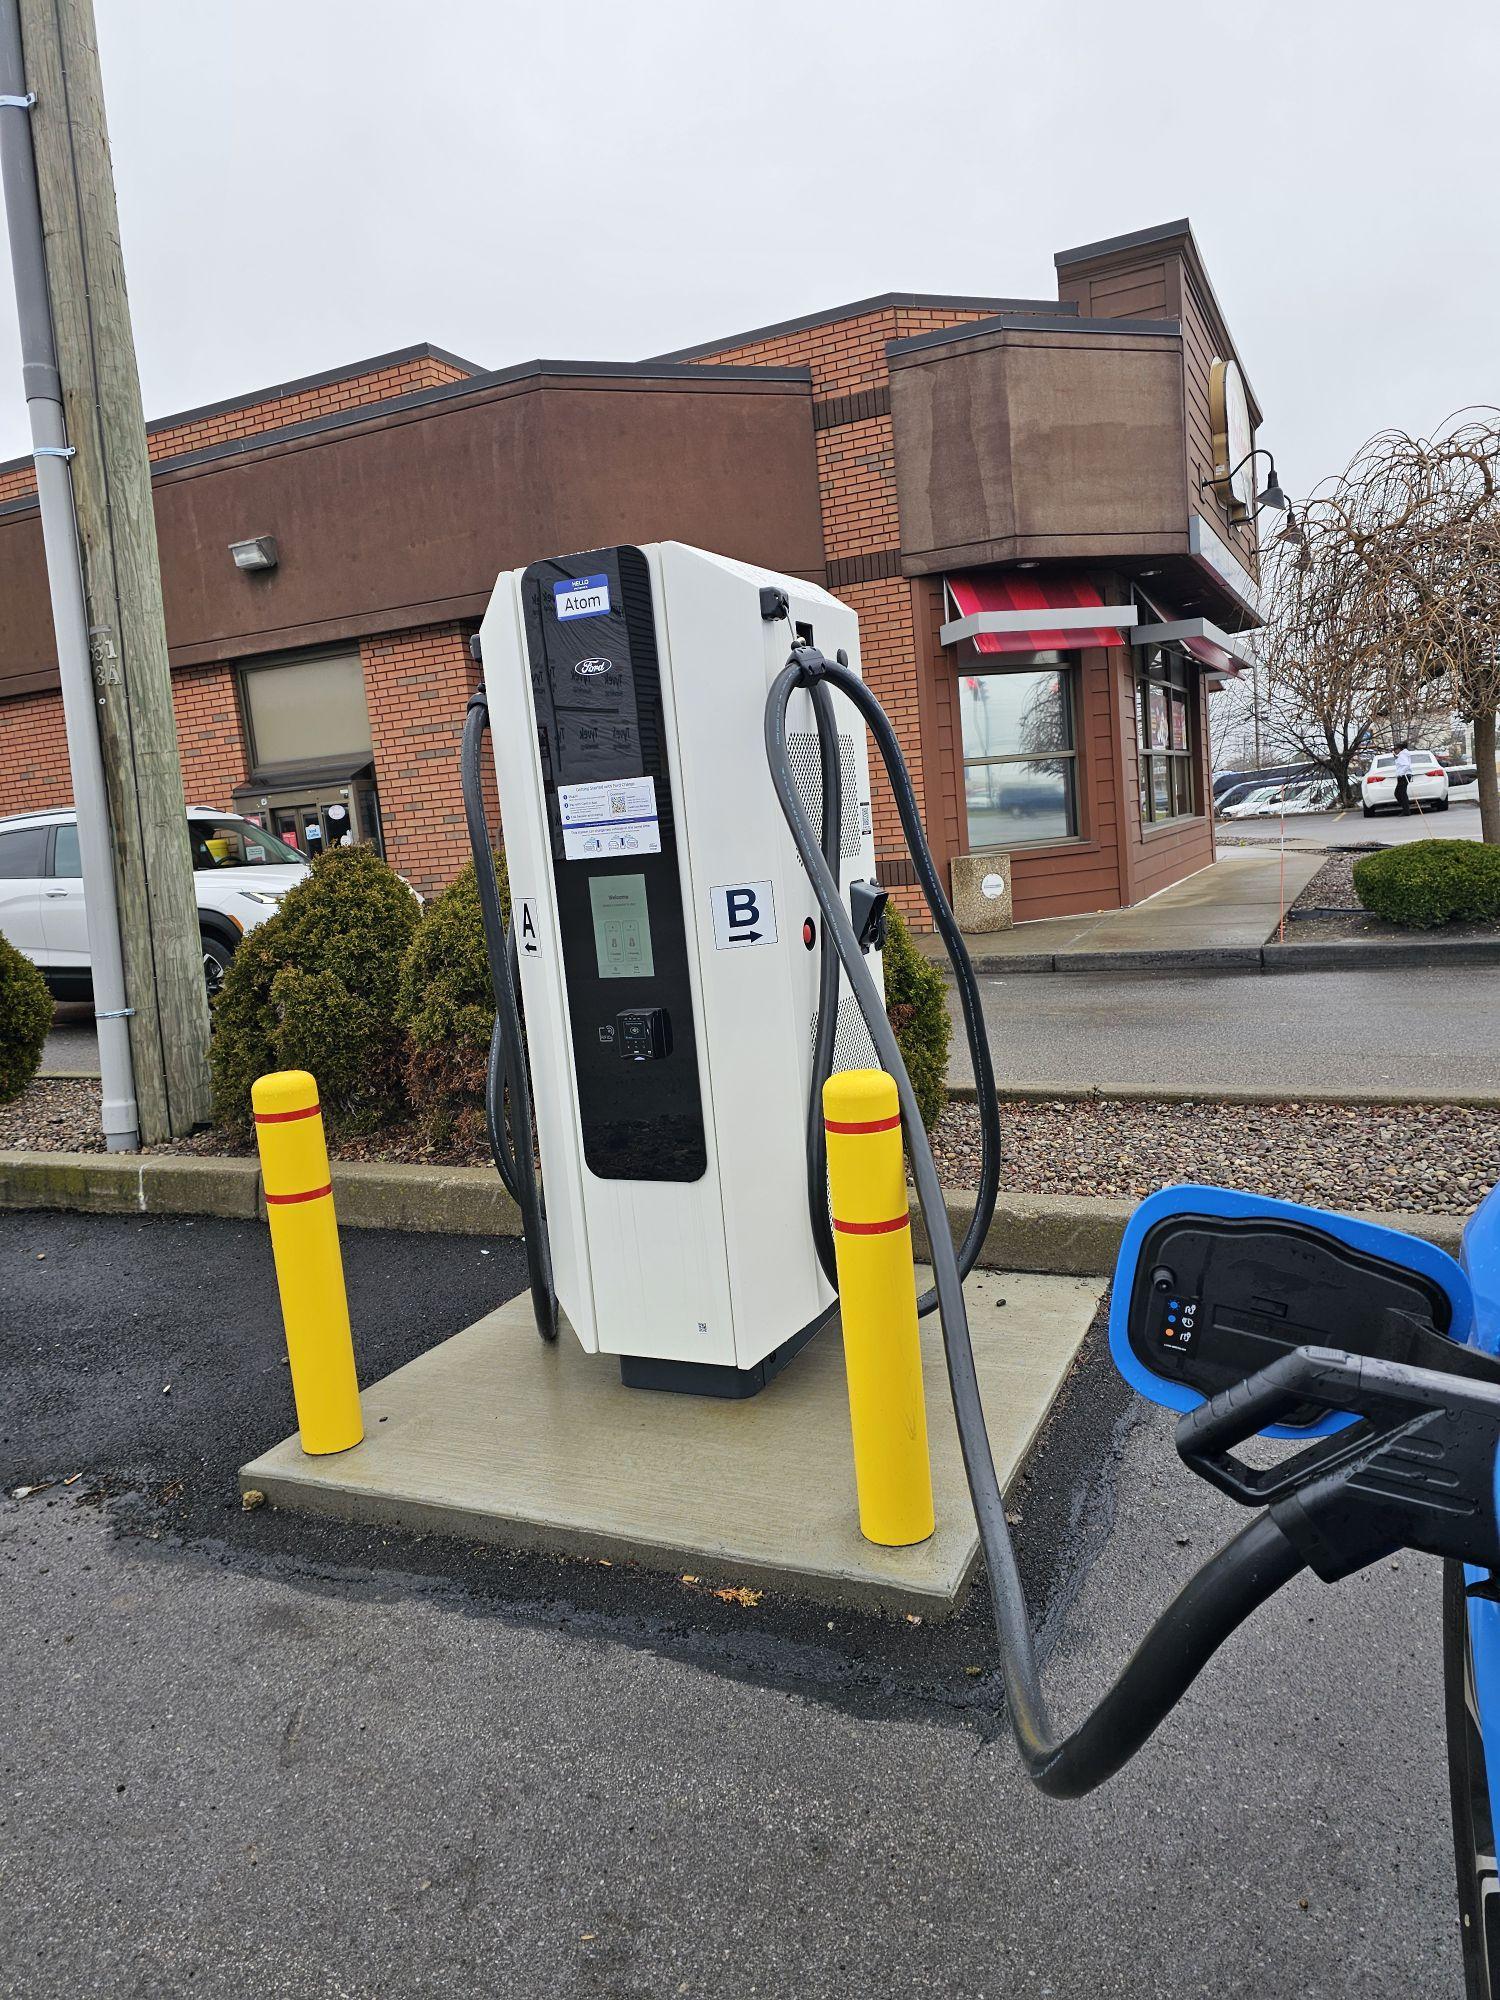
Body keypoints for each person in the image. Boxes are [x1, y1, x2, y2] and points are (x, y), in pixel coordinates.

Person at [1393, 740, 1413, 814]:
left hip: (1404, 776)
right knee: (1400, 793)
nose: (1394, 751)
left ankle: (1406, 810)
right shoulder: (1402, 754)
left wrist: (1401, 773)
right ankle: (1406, 809)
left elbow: (1406, 765)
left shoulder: (1402, 755)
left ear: (1399, 749)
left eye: (1395, 749)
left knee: (1400, 793)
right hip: (1404, 776)